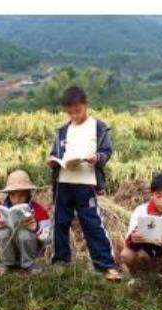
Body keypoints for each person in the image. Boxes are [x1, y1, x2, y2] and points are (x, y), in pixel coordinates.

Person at [47, 86, 121, 281]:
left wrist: (96, 157)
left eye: (77, 111)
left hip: (85, 183)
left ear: (86, 105)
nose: (74, 116)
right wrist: (52, 160)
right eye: (70, 113)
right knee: (60, 222)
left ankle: (106, 265)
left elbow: (106, 151)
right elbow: (54, 153)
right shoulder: (62, 130)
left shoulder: (98, 127)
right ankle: (60, 261)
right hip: (63, 182)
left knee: (91, 223)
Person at [0, 170, 51, 275]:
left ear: (28, 193)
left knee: (24, 233)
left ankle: (29, 264)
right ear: (8, 195)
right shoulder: (1, 211)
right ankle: (7, 263)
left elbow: (49, 239)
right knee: (2, 232)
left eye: (21, 195)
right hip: (10, 250)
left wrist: (36, 228)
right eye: (13, 195)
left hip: (31, 250)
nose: (17, 199)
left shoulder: (39, 211)